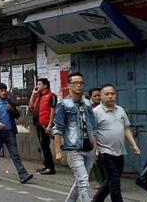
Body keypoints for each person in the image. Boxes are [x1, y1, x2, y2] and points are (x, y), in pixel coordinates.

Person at [92, 84, 140, 202]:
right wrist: (95, 150)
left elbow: (126, 128)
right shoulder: (95, 112)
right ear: (101, 97)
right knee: (115, 180)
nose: (110, 96)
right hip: (105, 152)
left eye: (112, 94)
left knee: (112, 179)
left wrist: (134, 145)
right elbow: (91, 132)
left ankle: (97, 200)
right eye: (106, 94)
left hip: (119, 151)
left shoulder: (120, 110)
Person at [53, 72, 97, 202]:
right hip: (73, 149)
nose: (79, 85)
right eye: (76, 83)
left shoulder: (88, 104)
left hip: (88, 148)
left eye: (81, 83)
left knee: (81, 180)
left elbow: (93, 126)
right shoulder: (64, 104)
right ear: (69, 85)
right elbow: (58, 128)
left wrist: (96, 145)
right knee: (83, 181)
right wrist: (58, 151)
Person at [0, 83, 33, 184]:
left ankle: (23, 175)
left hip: (9, 132)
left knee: (15, 154)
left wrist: (12, 109)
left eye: (5, 90)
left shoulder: (9, 102)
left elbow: (17, 116)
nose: (4, 92)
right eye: (1, 91)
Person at [28, 78, 57, 175]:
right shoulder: (38, 96)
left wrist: (49, 125)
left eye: (39, 84)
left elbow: (52, 111)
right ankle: (46, 165)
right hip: (38, 124)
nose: (37, 86)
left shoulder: (51, 96)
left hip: (45, 125)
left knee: (45, 145)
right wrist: (33, 94)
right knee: (42, 145)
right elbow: (30, 106)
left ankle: (51, 168)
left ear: (45, 85)